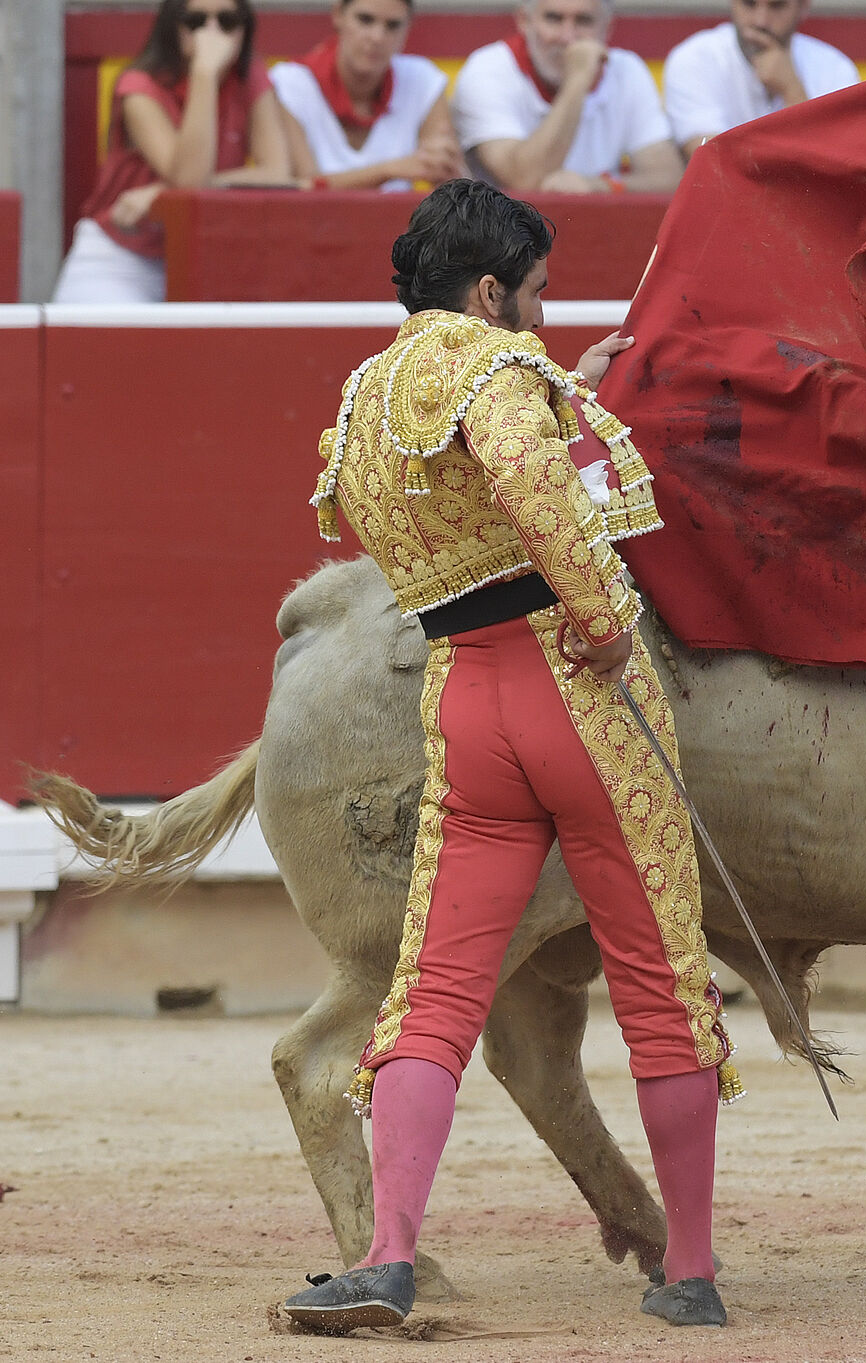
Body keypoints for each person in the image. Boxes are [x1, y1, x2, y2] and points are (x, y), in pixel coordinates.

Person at [278, 179, 740, 1334]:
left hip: (463, 696)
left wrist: (551, 383)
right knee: (658, 977)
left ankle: (387, 1252)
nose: (537, 315)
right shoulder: (496, 373)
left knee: (434, 987)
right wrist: (598, 620)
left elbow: (445, 506)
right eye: (530, 295)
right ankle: (687, 1270)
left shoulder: (371, 390)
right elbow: (536, 488)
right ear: (489, 290)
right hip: (573, 691)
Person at [53, 0, 295, 305]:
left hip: (206, 258)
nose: (212, 33)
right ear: (173, 27)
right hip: (123, 257)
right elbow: (190, 181)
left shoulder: (249, 74)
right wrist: (204, 73)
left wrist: (160, 193)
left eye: (227, 21)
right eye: (195, 21)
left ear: (244, 29)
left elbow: (277, 172)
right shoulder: (139, 85)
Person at [452, 0, 681, 194]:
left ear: (607, 28)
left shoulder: (628, 69)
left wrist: (599, 186)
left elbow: (669, 177)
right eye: (554, 19)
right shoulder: (488, 69)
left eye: (583, 21)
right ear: (524, 21)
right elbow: (525, 182)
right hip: (503, 237)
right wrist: (578, 80)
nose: (568, 38)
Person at [270, 0, 460, 193]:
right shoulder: (289, 82)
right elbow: (302, 186)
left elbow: (454, 186)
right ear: (338, 15)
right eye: (365, 20)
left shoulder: (423, 78)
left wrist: (448, 167)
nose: (377, 37)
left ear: (408, 27)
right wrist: (389, 170)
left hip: (400, 222)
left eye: (393, 25)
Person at [661, 0, 857, 156]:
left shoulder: (835, 67)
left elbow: (836, 165)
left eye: (777, 5)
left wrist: (792, 91)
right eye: (749, 3)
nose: (760, 21)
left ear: (804, 6)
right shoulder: (694, 58)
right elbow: (711, 158)